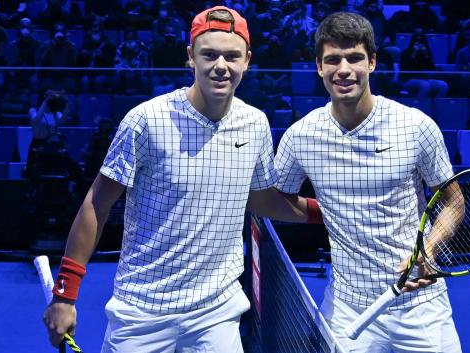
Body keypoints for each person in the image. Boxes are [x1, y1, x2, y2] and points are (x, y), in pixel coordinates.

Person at [42, 6, 322, 353]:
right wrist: (65, 295)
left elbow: (262, 199)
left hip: (216, 314)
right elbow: (97, 204)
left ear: (247, 60)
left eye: (232, 56)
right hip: (142, 311)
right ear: (191, 57)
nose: (221, 65)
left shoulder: (256, 124)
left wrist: (328, 211)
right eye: (210, 55)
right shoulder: (146, 120)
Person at [274, 12, 462, 352]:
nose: (343, 69)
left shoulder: (416, 126)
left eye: (354, 58)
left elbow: (453, 202)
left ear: (372, 62)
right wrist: (326, 212)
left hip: (419, 304)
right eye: (332, 60)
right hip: (348, 307)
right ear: (319, 67)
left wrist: (429, 248)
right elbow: (278, 201)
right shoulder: (300, 136)